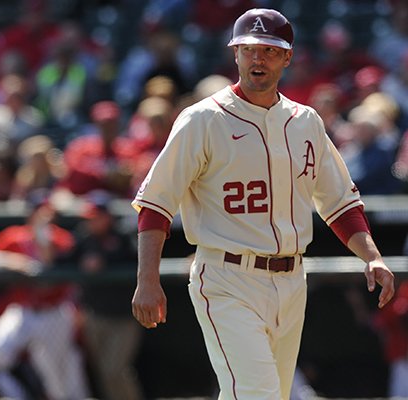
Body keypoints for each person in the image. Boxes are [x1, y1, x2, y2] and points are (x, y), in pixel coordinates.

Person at [130, 8, 395, 400]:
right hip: (227, 276)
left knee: (264, 394)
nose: (258, 58)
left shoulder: (305, 121)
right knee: (258, 395)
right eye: (249, 49)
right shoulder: (202, 120)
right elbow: (156, 205)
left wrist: (371, 255)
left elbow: (339, 201)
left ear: (287, 58)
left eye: (270, 51)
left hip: (292, 280)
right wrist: (147, 280)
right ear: (234, 53)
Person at [0, 190, 89, 400]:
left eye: (47, 211)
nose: (43, 215)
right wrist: (14, 263)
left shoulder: (62, 239)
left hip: (53, 312)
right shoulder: (15, 236)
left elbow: (50, 266)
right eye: (39, 210)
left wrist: (43, 237)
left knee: (59, 382)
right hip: (23, 311)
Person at [72, 191, 144, 400]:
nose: (91, 223)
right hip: (95, 314)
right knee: (104, 371)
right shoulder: (84, 237)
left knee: (115, 369)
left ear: (107, 216)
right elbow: (64, 258)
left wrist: (105, 260)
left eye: (95, 217)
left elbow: (138, 258)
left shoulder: (123, 235)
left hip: (124, 316)